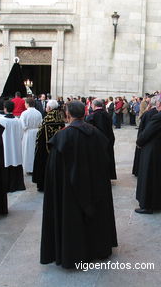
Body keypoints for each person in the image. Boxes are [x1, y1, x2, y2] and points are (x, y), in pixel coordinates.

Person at [41, 100, 117, 268]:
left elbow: (54, 170)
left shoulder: (62, 136)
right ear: (84, 113)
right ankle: (98, 248)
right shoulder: (96, 134)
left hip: (69, 191)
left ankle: (72, 253)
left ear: (68, 114)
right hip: (94, 187)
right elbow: (105, 162)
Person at [135, 93, 161, 214]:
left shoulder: (159, 117)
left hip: (153, 152)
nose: (155, 102)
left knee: (149, 178)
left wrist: (139, 142)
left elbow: (146, 133)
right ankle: (158, 203)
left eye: (157, 101)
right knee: (158, 179)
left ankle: (147, 206)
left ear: (160, 103)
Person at [32, 100, 65, 192]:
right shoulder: (60, 119)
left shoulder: (46, 120)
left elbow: (40, 135)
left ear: (49, 108)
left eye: (46, 107)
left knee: (44, 164)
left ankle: (43, 185)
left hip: (45, 148)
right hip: (58, 147)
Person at [0, 100, 26, 192]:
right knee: (15, 162)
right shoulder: (18, 120)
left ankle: (7, 185)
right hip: (16, 146)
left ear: (5, 109)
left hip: (5, 146)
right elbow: (21, 134)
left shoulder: (0, 120)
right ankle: (17, 184)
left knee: (7, 161)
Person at [86, 98, 117, 180]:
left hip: (96, 142)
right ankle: (108, 175)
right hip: (108, 139)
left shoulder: (91, 116)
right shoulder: (107, 114)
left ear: (94, 105)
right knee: (108, 157)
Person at [132, 95, 157, 176]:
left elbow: (142, 127)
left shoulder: (148, 114)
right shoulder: (159, 113)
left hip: (145, 139)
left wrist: (139, 141)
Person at [20, 97, 43, 174]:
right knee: (35, 150)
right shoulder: (38, 113)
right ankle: (35, 167)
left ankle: (29, 168)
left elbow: (22, 125)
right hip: (36, 132)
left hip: (28, 133)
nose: (25, 105)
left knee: (28, 151)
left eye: (25, 103)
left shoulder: (24, 113)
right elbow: (41, 124)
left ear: (28, 104)